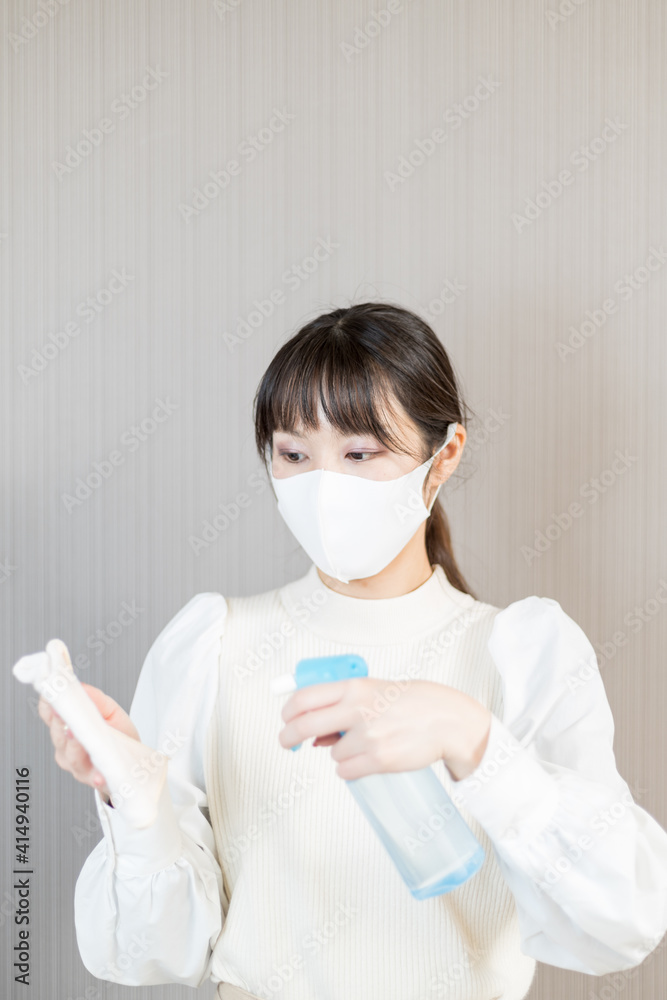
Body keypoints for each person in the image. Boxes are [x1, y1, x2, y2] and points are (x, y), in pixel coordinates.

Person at [40, 302, 667, 1000]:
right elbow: (146, 957)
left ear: (443, 456)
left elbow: (622, 924)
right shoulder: (214, 644)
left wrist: (476, 741)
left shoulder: (521, 653)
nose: (324, 486)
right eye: (294, 455)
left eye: (360, 454)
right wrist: (139, 811)